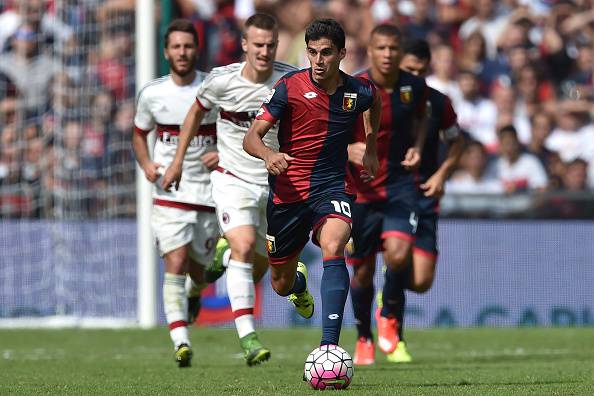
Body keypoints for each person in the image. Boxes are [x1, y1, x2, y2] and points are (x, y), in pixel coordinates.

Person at [243, 18, 380, 362]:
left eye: (326, 53)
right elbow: (251, 138)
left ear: (342, 54)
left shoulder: (357, 91)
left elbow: (373, 103)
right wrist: (269, 154)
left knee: (335, 244)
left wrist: (372, 144)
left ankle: (329, 348)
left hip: (332, 186)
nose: (318, 60)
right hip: (287, 195)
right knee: (280, 283)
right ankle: (298, 287)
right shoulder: (289, 86)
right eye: (313, 52)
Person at [162, 13, 296, 366]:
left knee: (257, 269)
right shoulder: (222, 81)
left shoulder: (290, 80)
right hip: (232, 178)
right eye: (258, 45)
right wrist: (178, 161)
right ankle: (249, 338)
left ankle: (200, 282)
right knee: (245, 244)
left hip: (274, 183)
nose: (264, 51)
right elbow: (194, 114)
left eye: (270, 45)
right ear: (245, 45)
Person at [348, 33, 464, 365]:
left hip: (406, 188)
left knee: (407, 266)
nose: (388, 55)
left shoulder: (422, 93)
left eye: (392, 49)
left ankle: (390, 314)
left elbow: (433, 126)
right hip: (362, 192)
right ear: (371, 52)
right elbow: (328, 131)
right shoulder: (353, 89)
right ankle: (364, 338)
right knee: (363, 273)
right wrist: (346, 150)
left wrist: (431, 160)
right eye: (382, 49)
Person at [132, 19, 227, 368]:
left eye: (188, 46)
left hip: (209, 191)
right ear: (166, 52)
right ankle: (181, 341)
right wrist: (146, 165)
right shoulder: (152, 93)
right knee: (174, 261)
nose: (182, 52)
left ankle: (192, 293)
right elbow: (139, 134)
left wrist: (223, 153)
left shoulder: (213, 89)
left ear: (196, 49)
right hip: (169, 191)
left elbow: (233, 130)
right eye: (176, 47)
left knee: (200, 272)